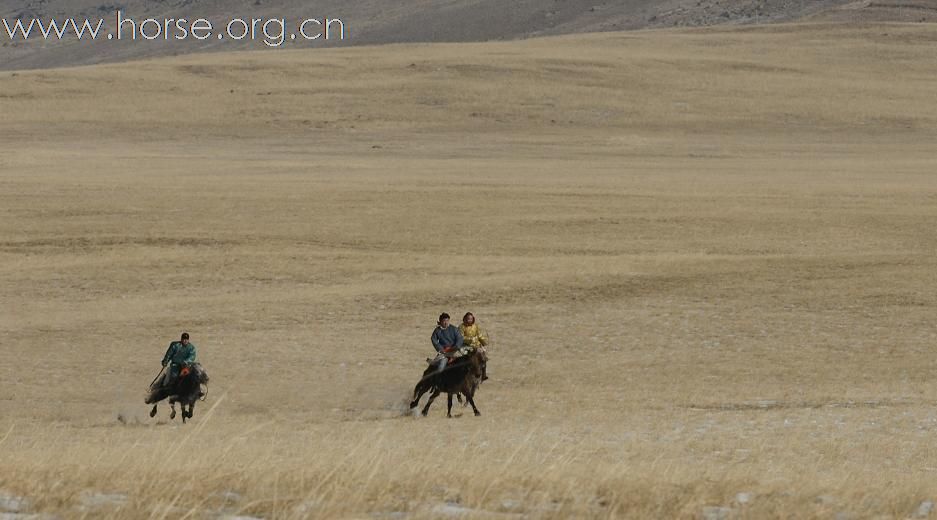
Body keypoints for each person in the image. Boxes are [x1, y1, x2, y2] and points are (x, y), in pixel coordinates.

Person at [459, 312, 489, 380]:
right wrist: (470, 339)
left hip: (476, 345)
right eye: (468, 319)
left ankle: (483, 374)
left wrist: (483, 341)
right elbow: (461, 337)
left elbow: (479, 335)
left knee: (483, 358)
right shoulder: (461, 327)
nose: (470, 320)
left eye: (471, 319)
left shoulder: (475, 326)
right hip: (466, 346)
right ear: (465, 319)